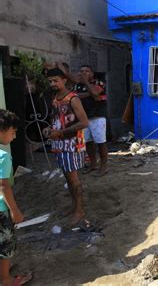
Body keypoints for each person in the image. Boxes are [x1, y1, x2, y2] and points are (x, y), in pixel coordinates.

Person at [45, 68, 89, 225]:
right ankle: (74, 206)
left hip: (71, 144)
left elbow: (84, 122)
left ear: (64, 80)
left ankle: (80, 210)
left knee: (74, 179)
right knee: (67, 178)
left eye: (55, 80)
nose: (52, 84)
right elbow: (57, 119)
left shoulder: (73, 98)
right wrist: (50, 130)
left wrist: (61, 132)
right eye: (50, 81)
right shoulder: (55, 98)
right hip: (59, 144)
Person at [58, 63, 108, 177]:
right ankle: (93, 164)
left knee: (101, 143)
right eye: (81, 71)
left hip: (97, 117)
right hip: (83, 118)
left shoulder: (98, 83)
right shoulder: (77, 86)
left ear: (92, 74)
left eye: (86, 71)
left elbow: (95, 93)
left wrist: (86, 83)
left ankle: (104, 167)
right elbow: (74, 96)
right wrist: (89, 94)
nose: (83, 73)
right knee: (88, 143)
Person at [0, 109, 32, 286]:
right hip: (0, 210)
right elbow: (3, 186)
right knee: (5, 246)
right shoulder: (3, 157)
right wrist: (15, 211)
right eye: (13, 132)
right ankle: (5, 280)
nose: (14, 137)